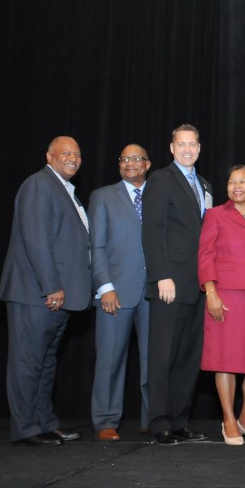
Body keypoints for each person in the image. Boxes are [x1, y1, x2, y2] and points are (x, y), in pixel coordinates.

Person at [0, 136, 91, 446]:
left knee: (47, 361)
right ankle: (26, 428)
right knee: (28, 361)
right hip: (36, 294)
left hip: (57, 296)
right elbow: (36, 239)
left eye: (77, 154)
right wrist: (51, 286)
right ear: (49, 156)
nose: (73, 159)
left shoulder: (65, 190)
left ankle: (45, 422)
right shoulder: (38, 185)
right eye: (66, 153)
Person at [142, 124, 213, 446]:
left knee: (188, 357)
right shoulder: (159, 179)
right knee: (163, 356)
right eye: (181, 144)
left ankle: (180, 420)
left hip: (198, 286)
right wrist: (161, 275)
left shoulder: (205, 185)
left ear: (199, 148)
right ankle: (159, 423)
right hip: (170, 285)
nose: (187, 149)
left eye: (193, 144)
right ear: (171, 148)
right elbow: (152, 229)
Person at [199, 165, 245, 446]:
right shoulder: (215, 215)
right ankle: (228, 419)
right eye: (232, 182)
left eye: (243, 182)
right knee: (226, 359)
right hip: (226, 296)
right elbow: (205, 256)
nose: (237, 186)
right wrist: (211, 292)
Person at [88, 144, 152, 441]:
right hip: (115, 292)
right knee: (110, 359)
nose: (129, 163)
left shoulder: (159, 194)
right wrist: (105, 287)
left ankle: (152, 419)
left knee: (154, 360)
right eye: (124, 158)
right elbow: (96, 246)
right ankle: (106, 421)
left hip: (154, 292)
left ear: (147, 164)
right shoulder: (102, 197)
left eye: (136, 158)